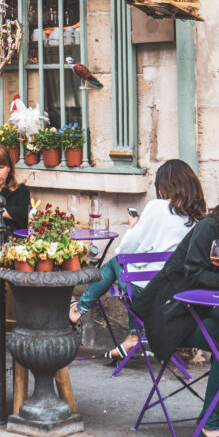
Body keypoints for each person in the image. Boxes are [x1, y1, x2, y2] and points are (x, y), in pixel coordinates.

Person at [68, 159, 206, 361]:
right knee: (132, 272)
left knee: (117, 262)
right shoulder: (198, 218)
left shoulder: (158, 208)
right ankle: (132, 336)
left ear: (165, 186)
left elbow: (126, 250)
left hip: (149, 291)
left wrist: (134, 226)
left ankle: (78, 309)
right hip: (177, 293)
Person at [132, 204, 219, 436]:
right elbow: (194, 273)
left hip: (204, 311)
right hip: (175, 316)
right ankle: (211, 423)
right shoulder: (209, 227)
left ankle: (212, 419)